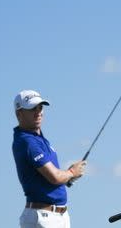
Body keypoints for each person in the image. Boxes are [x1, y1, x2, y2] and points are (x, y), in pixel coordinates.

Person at [12, 90, 86, 228]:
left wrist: (67, 177)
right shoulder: (28, 142)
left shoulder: (37, 138)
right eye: (32, 108)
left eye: (40, 107)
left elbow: (51, 179)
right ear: (19, 113)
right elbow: (54, 177)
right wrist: (71, 172)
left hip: (57, 216)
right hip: (43, 217)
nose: (38, 112)